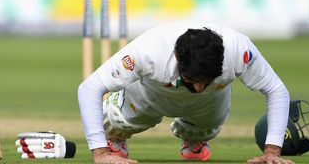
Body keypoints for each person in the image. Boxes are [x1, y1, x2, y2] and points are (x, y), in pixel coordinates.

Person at [78, 21, 295, 164]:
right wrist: (100, 153)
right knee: (119, 121)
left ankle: (194, 138)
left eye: (205, 81)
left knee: (206, 128)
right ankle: (114, 139)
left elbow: (276, 90)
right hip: (150, 93)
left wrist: (272, 152)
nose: (198, 88)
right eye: (194, 80)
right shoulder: (149, 49)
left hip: (211, 101)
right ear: (178, 56)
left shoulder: (239, 50)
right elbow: (90, 88)